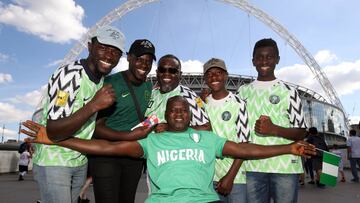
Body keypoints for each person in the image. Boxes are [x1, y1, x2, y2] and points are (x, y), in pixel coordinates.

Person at [22, 96, 316, 203]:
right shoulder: (152, 141)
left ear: (189, 116)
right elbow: (102, 147)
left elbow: (245, 149)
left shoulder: (207, 140)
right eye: (173, 110)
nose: (178, 113)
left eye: (183, 110)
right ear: (166, 115)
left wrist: (288, 147)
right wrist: (55, 139)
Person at [31, 25, 125, 203]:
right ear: (90, 47)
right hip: (55, 159)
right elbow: (54, 131)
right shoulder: (70, 75)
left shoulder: (101, 81)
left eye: (115, 52)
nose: (109, 56)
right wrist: (93, 105)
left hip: (79, 160)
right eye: (103, 47)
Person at [237, 38, 307, 202]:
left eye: (269, 57)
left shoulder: (289, 91)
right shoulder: (242, 91)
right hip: (252, 166)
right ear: (253, 61)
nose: (264, 61)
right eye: (259, 57)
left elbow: (301, 132)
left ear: (277, 59)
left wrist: (274, 129)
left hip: (285, 167)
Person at [89, 39, 156, 203]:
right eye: (139, 59)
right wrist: (130, 136)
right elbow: (96, 128)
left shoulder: (149, 87)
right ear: (129, 58)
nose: (144, 64)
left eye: (148, 61)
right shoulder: (111, 84)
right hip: (106, 155)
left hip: (133, 157)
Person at [203, 58, 249, 202]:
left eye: (218, 73)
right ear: (205, 78)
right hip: (208, 179)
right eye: (209, 74)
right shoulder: (201, 105)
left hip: (236, 179)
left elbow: (244, 144)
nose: (214, 77)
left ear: (226, 75)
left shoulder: (239, 104)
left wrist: (230, 177)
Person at [145, 54, 210, 130]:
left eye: (172, 71)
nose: (166, 74)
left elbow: (206, 127)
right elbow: (147, 121)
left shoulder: (189, 95)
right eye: (162, 70)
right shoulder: (151, 94)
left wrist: (170, 128)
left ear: (180, 75)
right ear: (157, 72)